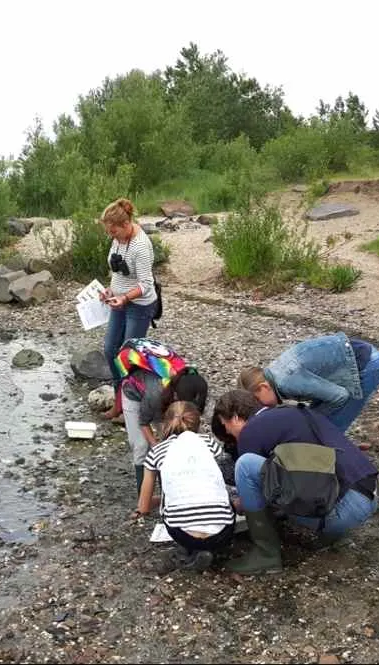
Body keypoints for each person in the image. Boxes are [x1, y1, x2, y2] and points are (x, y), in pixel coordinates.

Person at [211, 390, 379, 574]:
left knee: (245, 466)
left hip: (343, 510)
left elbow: (256, 489)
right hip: (370, 491)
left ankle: (266, 554)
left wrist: (236, 503)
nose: (227, 431)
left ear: (235, 417)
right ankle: (333, 533)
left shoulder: (250, 432)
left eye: (225, 424)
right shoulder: (291, 411)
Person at [132, 401, 234, 572]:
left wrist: (161, 499)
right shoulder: (209, 443)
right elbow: (221, 477)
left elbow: (143, 506)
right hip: (223, 533)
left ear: (165, 424)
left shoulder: (157, 452)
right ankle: (208, 548)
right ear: (198, 423)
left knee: (170, 505)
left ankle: (189, 550)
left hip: (183, 534)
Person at [238, 332, 379, 435]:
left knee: (329, 429)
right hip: (353, 352)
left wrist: (311, 422)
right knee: (315, 422)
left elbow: (340, 396)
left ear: (263, 387)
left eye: (258, 402)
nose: (261, 409)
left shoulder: (286, 382)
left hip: (367, 365)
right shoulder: (275, 372)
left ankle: (337, 467)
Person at [114, 337, 209, 494]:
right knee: (142, 446)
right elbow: (143, 422)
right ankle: (144, 497)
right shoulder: (155, 394)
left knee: (172, 440)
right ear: (177, 398)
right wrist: (155, 445)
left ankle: (169, 487)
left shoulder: (189, 380)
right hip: (133, 393)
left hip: (163, 400)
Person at [98, 198, 159, 423]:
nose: (111, 236)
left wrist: (124, 297)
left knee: (129, 356)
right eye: (109, 232)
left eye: (113, 231)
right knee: (110, 349)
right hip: (119, 300)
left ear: (125, 225)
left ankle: (132, 407)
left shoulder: (141, 246)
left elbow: (145, 284)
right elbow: (118, 272)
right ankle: (119, 402)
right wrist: (109, 290)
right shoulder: (118, 240)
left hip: (139, 306)